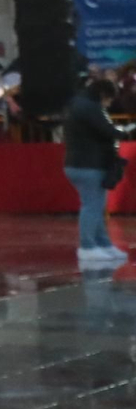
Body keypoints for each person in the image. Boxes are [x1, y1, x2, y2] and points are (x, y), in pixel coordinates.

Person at [64, 77, 128, 267]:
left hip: (82, 163)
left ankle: (103, 244)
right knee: (92, 206)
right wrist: (122, 133)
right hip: (87, 165)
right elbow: (106, 130)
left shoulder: (79, 104)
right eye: (108, 100)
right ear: (102, 94)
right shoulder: (89, 107)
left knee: (96, 206)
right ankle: (87, 247)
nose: (108, 104)